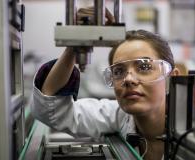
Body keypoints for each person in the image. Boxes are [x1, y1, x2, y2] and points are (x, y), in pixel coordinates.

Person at [31, 29, 180, 160]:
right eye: (118, 71)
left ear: (172, 79)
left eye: (144, 67)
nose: (128, 79)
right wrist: (73, 47)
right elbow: (50, 111)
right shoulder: (117, 116)